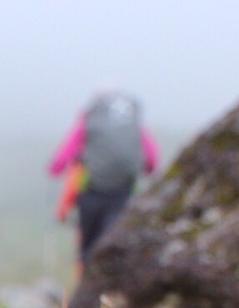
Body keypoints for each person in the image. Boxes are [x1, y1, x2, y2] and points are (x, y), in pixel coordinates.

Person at [49, 91, 160, 264]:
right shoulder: (131, 122)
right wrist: (151, 170)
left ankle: (86, 283)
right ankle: (111, 284)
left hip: (91, 193)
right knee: (112, 241)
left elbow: (66, 152)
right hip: (122, 193)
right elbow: (151, 158)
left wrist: (56, 168)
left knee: (88, 243)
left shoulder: (90, 120)